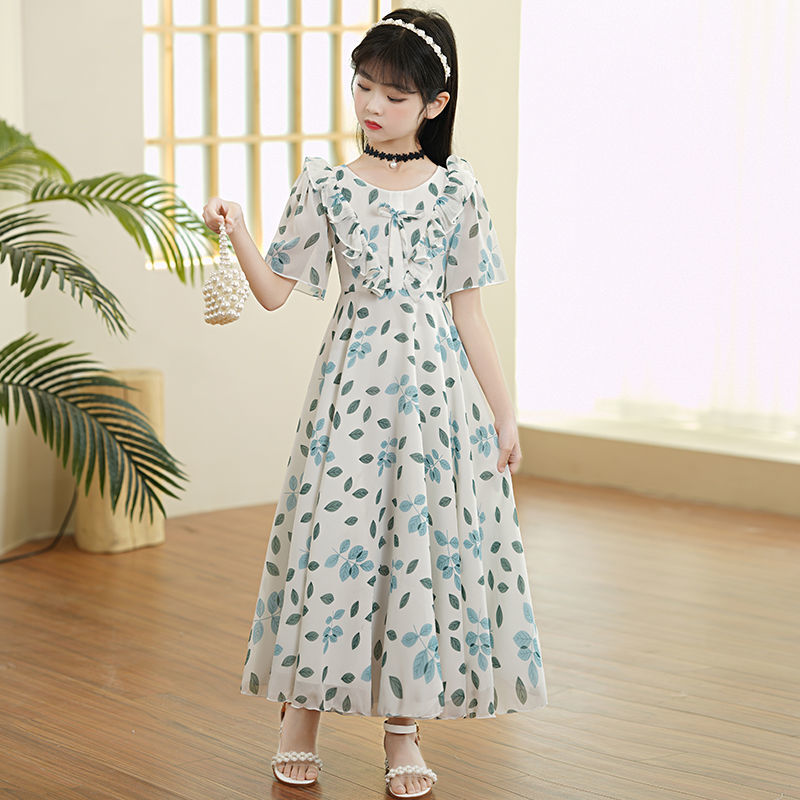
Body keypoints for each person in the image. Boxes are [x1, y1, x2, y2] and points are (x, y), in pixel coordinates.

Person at [202, 7, 547, 797]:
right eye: (363, 86)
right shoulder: (325, 185)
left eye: (394, 94)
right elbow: (275, 293)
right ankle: (299, 722)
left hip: (435, 401)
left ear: (436, 103)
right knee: (334, 546)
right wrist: (240, 227)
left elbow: (469, 313)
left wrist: (504, 412)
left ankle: (403, 732)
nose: (372, 105)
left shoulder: (458, 189)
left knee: (417, 555)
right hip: (351, 395)